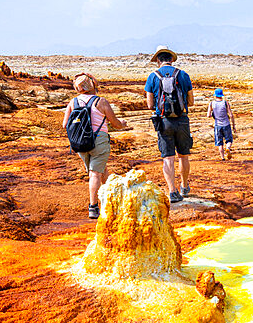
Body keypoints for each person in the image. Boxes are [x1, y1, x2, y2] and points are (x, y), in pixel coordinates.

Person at [62, 73, 130, 220]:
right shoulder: (101, 102)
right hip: (98, 140)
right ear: (92, 85)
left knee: (99, 169)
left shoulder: (73, 102)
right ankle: (93, 207)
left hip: (80, 143)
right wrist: (123, 124)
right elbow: (115, 123)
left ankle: (112, 197)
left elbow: (65, 124)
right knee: (95, 173)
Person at [144, 46, 194, 203]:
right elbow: (191, 102)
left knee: (168, 158)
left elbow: (150, 105)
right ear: (171, 59)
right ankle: (184, 187)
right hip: (182, 119)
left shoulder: (152, 77)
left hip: (163, 121)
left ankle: (172, 192)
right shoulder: (183, 75)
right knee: (183, 156)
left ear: (158, 60)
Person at [207, 87, 237, 160]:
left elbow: (208, 115)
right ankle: (228, 148)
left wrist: (213, 115)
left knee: (219, 143)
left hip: (217, 125)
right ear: (221, 95)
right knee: (229, 140)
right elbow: (231, 115)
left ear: (215, 95)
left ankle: (222, 157)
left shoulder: (211, 103)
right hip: (226, 124)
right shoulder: (225, 103)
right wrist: (233, 125)